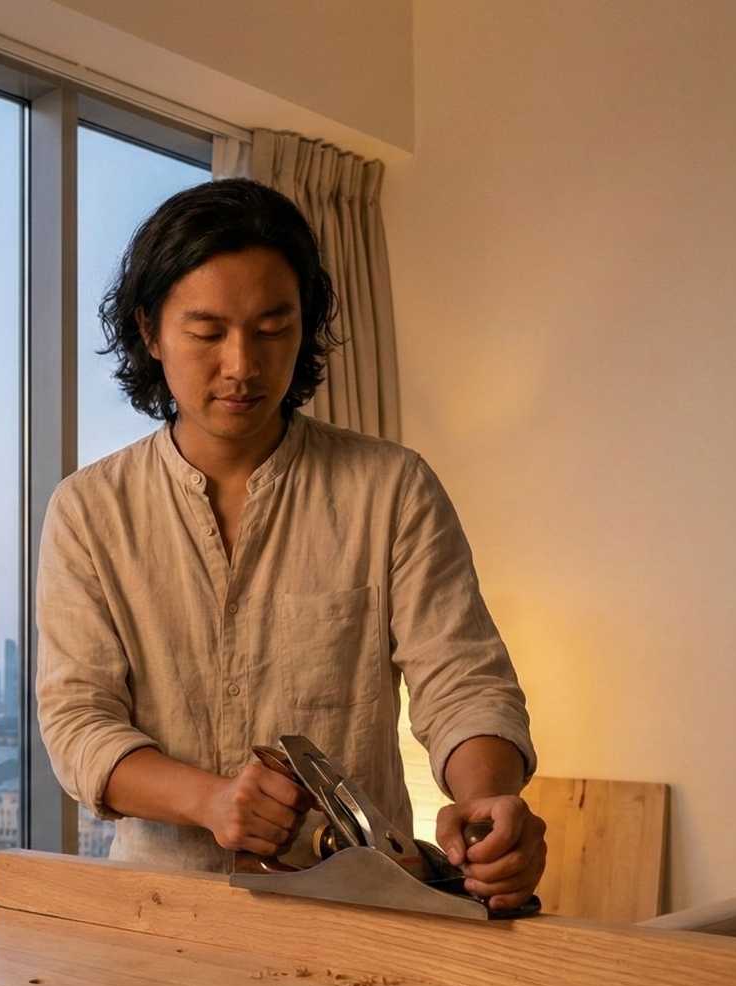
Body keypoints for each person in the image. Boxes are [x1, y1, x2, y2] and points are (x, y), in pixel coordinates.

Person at [36, 179, 546, 911]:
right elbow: (78, 724)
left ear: (306, 326)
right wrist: (212, 802)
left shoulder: (389, 488)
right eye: (207, 333)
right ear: (150, 331)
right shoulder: (90, 511)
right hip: (157, 912)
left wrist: (487, 799)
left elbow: (461, 678)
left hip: (361, 911)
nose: (242, 365)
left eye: (272, 328)